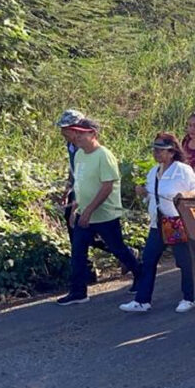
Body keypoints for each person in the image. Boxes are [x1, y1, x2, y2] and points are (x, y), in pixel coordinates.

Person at [57, 118, 141, 305]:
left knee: (117, 248)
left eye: (81, 133)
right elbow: (80, 184)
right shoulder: (79, 154)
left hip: (105, 215)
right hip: (83, 212)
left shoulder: (104, 156)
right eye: (75, 132)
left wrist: (89, 211)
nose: (77, 136)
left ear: (93, 134)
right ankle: (78, 292)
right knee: (78, 252)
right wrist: (75, 208)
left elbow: (107, 187)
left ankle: (140, 274)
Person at [120, 133, 195, 313]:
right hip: (157, 223)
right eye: (155, 150)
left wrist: (186, 195)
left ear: (172, 152)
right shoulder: (153, 172)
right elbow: (152, 196)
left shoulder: (182, 170)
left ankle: (190, 297)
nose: (156, 153)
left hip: (176, 222)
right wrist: (144, 193)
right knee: (149, 260)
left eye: (161, 150)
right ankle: (142, 300)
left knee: (184, 261)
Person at [56, 110, 102, 285]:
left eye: (66, 128)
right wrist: (67, 189)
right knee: (74, 228)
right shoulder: (71, 145)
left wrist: (78, 202)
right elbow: (73, 169)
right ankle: (86, 271)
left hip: (89, 191)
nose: (62, 132)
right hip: (77, 189)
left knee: (86, 227)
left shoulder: (87, 147)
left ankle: (124, 252)